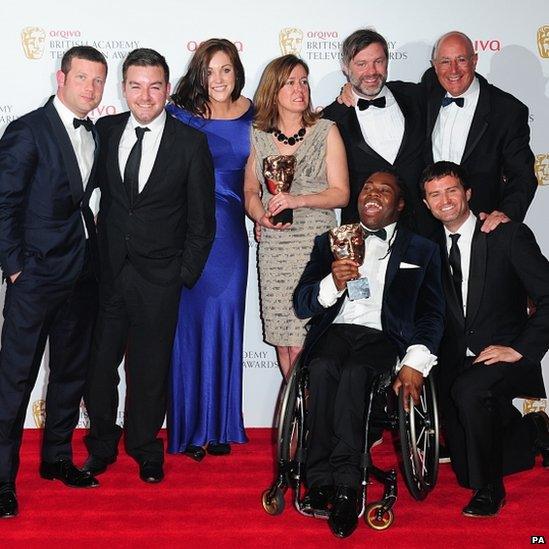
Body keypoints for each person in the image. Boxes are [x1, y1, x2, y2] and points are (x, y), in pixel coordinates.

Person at [82, 48, 215, 483]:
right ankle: (101, 443)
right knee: (100, 366)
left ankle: (143, 445)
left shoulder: (190, 143)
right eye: (136, 85)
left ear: (167, 89)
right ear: (123, 88)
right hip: (107, 273)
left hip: (161, 278)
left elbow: (202, 222)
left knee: (150, 367)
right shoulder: (104, 129)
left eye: (154, 86)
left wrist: (182, 275)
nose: (145, 95)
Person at [293, 170, 445, 538]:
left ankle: (347, 485)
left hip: (382, 337)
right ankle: (318, 480)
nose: (372, 195)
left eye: (384, 190)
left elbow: (431, 313)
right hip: (336, 331)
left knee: (356, 373)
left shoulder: (422, 249)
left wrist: (415, 362)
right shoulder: (329, 241)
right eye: (367, 188)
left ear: (400, 204)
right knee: (325, 366)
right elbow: (302, 302)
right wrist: (334, 282)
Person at [0, 45, 107, 518]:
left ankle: (56, 459)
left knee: (70, 374)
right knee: (14, 380)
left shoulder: (98, 133)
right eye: (82, 78)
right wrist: (14, 266)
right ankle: (2, 480)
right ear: (60, 78)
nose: (91, 88)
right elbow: (3, 203)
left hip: (82, 275)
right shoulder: (27, 130)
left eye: (98, 80)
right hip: (35, 277)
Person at [421, 161, 549, 517]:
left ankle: (490, 489)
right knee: (463, 468)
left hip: (502, 354)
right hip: (452, 361)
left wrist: (520, 349)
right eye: (435, 194)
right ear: (426, 203)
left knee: (471, 391)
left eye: (451, 191)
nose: (444, 200)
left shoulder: (507, 235)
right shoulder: (428, 247)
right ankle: (531, 431)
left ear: (468, 194)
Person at [166, 38, 251, 461]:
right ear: (199, 73)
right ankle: (190, 428)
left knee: (225, 320)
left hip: (232, 231)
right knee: (189, 326)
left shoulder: (255, 111)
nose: (218, 79)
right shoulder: (179, 115)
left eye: (226, 70)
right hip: (189, 229)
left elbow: (300, 121)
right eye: (210, 70)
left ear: (237, 72)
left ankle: (220, 426)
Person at [244, 54, 349, 378]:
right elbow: (249, 190)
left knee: (307, 339)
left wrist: (297, 199)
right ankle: (296, 421)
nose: (299, 88)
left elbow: (341, 193)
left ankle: (312, 419)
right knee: (283, 341)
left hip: (314, 243)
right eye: (290, 82)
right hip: (276, 248)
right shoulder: (257, 135)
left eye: (303, 80)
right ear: (273, 89)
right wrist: (260, 216)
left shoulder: (326, 130)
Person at [323, 29, 433, 235]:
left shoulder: (416, 96)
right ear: (346, 67)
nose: (372, 72)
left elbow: (455, 75)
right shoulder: (331, 119)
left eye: (378, 61)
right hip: (363, 237)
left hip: (423, 233)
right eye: (361, 64)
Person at [425, 31, 537, 232]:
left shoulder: (507, 110)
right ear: (434, 65)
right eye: (445, 62)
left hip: (482, 227)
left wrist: (506, 214)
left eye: (461, 60)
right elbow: (385, 90)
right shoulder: (424, 97)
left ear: (474, 60)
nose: (453, 70)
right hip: (429, 231)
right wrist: (349, 92)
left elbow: (522, 175)